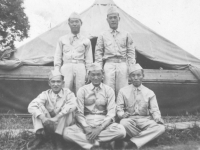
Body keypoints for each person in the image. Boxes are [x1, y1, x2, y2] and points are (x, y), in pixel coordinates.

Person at [63, 63, 126, 150]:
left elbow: (111, 113)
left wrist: (100, 128)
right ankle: (95, 145)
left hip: (103, 122)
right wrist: (86, 127)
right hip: (86, 121)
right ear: (88, 75)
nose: (96, 77)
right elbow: (79, 112)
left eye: (98, 74)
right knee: (66, 132)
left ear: (103, 75)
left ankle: (87, 141)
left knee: (121, 131)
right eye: (93, 75)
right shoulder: (82, 90)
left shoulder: (109, 90)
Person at [117, 63, 165, 149]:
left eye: (138, 75)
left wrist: (158, 118)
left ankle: (132, 142)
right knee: (123, 123)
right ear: (129, 77)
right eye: (133, 75)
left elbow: (155, 110)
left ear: (143, 76)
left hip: (145, 120)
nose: (136, 78)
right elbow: (119, 108)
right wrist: (122, 114)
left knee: (161, 128)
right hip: (130, 121)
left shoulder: (150, 93)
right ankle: (148, 139)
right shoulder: (123, 91)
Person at [27, 70, 77, 150]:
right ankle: (39, 136)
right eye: (53, 82)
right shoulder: (45, 94)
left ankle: (58, 139)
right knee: (36, 108)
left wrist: (57, 117)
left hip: (63, 125)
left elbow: (73, 105)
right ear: (49, 83)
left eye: (58, 82)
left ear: (63, 83)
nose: (56, 84)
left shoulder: (68, 93)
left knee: (68, 109)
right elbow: (31, 106)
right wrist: (43, 117)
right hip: (48, 123)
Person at [95, 6, 135, 95]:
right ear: (107, 20)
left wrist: (131, 68)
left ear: (119, 19)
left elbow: (131, 52)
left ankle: (121, 108)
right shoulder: (102, 35)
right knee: (108, 90)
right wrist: (99, 68)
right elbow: (98, 53)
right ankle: (110, 108)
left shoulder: (126, 34)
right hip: (108, 65)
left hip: (122, 64)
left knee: (123, 90)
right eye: (110, 18)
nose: (113, 20)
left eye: (115, 17)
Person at [54, 12, 93, 94]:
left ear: (81, 23)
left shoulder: (86, 40)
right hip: (66, 66)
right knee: (65, 91)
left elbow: (89, 59)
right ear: (69, 24)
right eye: (72, 22)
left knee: (81, 92)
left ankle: (80, 107)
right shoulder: (62, 39)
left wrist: (89, 72)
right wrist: (57, 71)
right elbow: (58, 56)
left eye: (77, 22)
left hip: (80, 66)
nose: (74, 24)